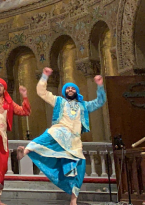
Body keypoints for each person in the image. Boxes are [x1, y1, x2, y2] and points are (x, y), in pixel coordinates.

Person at [16, 68, 106, 205]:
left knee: (78, 169)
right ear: (65, 92)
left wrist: (100, 85)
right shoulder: (59, 101)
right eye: (67, 88)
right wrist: (45, 76)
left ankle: (73, 201)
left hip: (74, 140)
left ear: (76, 91)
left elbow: (100, 102)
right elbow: (41, 92)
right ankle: (25, 151)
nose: (70, 90)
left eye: (72, 88)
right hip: (60, 131)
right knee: (47, 136)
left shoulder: (83, 106)